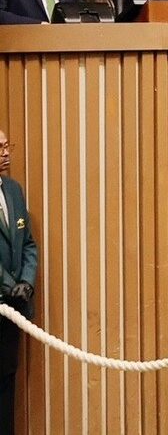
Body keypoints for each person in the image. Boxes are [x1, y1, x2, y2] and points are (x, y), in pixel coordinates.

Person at [0, 129, 39, 435]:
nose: (5, 153)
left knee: (7, 384)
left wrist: (26, 281)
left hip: (13, 312)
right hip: (3, 300)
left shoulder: (13, 190)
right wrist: (7, 284)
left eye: (5, 146)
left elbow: (28, 243)